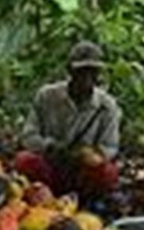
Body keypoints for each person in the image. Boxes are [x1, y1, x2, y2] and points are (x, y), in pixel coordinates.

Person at [16, 40, 122, 198]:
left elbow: (110, 146)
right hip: (50, 167)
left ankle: (85, 200)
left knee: (108, 173)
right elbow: (28, 136)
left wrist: (90, 155)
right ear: (70, 71)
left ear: (98, 74)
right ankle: (46, 197)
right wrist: (51, 147)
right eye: (81, 71)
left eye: (92, 71)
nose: (86, 77)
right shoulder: (47, 96)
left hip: (82, 172)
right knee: (24, 160)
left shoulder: (107, 106)